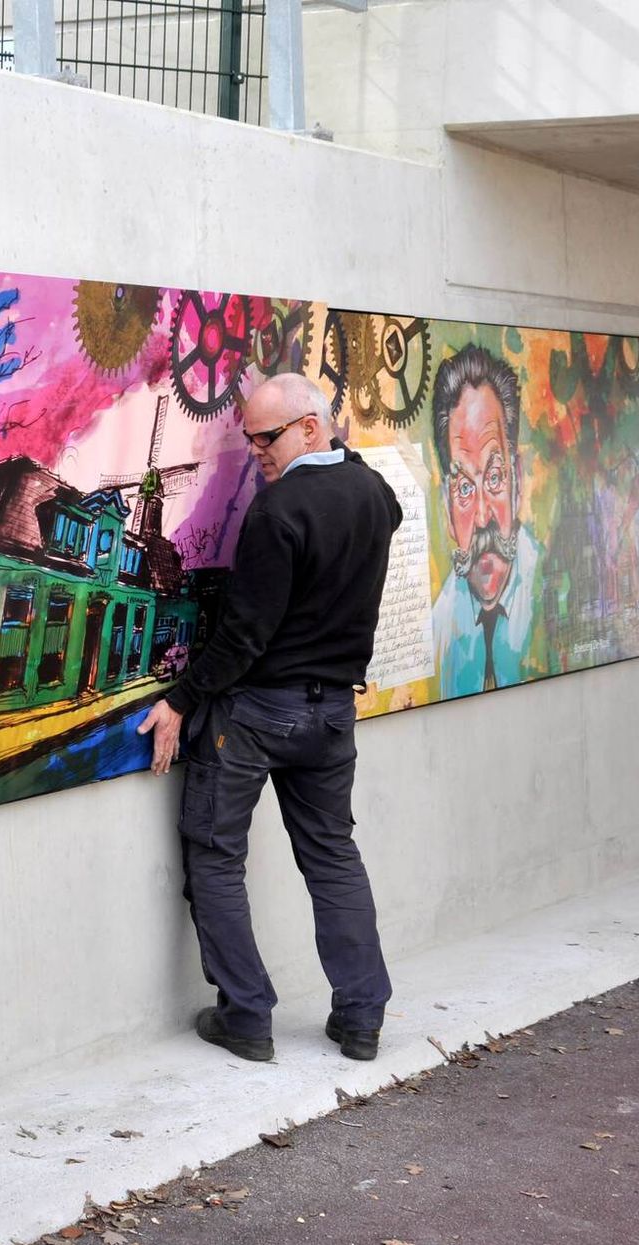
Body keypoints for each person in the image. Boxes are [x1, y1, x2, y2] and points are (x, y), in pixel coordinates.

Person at [137, 373, 401, 1063]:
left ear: (311, 427)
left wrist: (178, 699)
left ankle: (246, 1017)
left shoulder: (277, 511)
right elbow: (378, 498)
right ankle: (361, 1017)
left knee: (216, 857)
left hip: (257, 713)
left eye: (265, 437)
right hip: (331, 716)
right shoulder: (372, 494)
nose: (254, 451)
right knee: (332, 857)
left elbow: (243, 637)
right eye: (248, 438)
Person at [427, 345, 541, 695]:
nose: (481, 516)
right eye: (464, 487)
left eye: (493, 478)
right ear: (447, 508)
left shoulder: (548, 586)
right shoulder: (439, 628)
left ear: (517, 483)